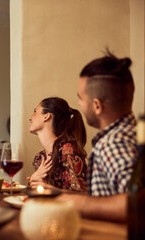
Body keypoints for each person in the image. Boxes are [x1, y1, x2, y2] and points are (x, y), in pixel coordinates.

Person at [58, 50, 137, 222]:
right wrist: (61, 195)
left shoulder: (113, 143)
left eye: (81, 97)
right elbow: (112, 194)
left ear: (97, 106)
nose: (78, 103)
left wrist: (75, 203)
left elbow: (138, 203)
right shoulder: (133, 133)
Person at [28, 97, 87, 191]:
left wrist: (48, 189)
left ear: (46, 116)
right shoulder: (40, 157)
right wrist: (33, 180)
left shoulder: (67, 152)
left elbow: (82, 195)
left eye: (35, 111)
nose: (30, 118)